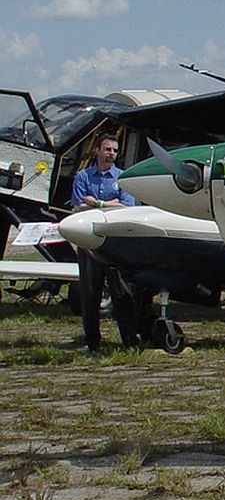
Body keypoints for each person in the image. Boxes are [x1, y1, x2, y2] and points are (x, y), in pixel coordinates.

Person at [70, 133, 141, 352]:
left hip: (115, 244)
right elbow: (77, 207)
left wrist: (97, 203)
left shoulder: (122, 177)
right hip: (89, 243)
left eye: (115, 150)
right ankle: (92, 341)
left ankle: (129, 340)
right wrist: (111, 203)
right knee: (90, 294)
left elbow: (128, 207)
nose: (111, 154)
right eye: (108, 149)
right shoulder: (82, 177)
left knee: (122, 293)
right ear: (97, 151)